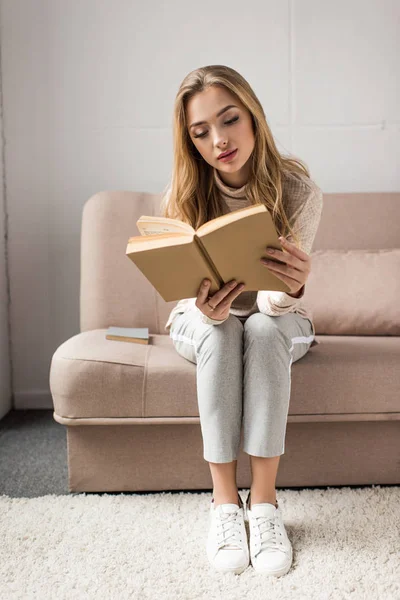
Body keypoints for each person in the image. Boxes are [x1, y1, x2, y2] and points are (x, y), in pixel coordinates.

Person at [160, 65, 323, 576]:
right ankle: (225, 505)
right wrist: (205, 309)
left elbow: (277, 306)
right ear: (190, 140)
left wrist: (290, 287)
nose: (218, 139)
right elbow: (184, 293)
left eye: (228, 120)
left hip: (278, 319)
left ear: (253, 117)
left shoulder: (298, 190)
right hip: (203, 321)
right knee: (225, 327)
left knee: (261, 326)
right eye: (200, 131)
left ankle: (266, 505)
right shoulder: (185, 193)